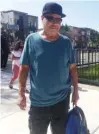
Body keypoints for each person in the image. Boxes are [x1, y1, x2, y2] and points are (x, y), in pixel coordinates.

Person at [17, 2, 79, 134]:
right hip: (38, 103)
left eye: (58, 19)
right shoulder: (31, 40)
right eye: (50, 18)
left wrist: (76, 91)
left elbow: (72, 69)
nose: (54, 23)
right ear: (42, 18)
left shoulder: (66, 42)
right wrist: (21, 94)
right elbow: (24, 69)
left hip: (62, 101)